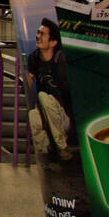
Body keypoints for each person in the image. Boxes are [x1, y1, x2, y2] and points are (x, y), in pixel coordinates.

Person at [27, 18, 74, 161]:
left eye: (42, 34)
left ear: (53, 42)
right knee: (33, 117)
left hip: (64, 116)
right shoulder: (34, 57)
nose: (38, 36)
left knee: (43, 96)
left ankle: (61, 145)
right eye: (38, 32)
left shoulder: (61, 60)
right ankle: (47, 148)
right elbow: (29, 79)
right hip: (46, 113)